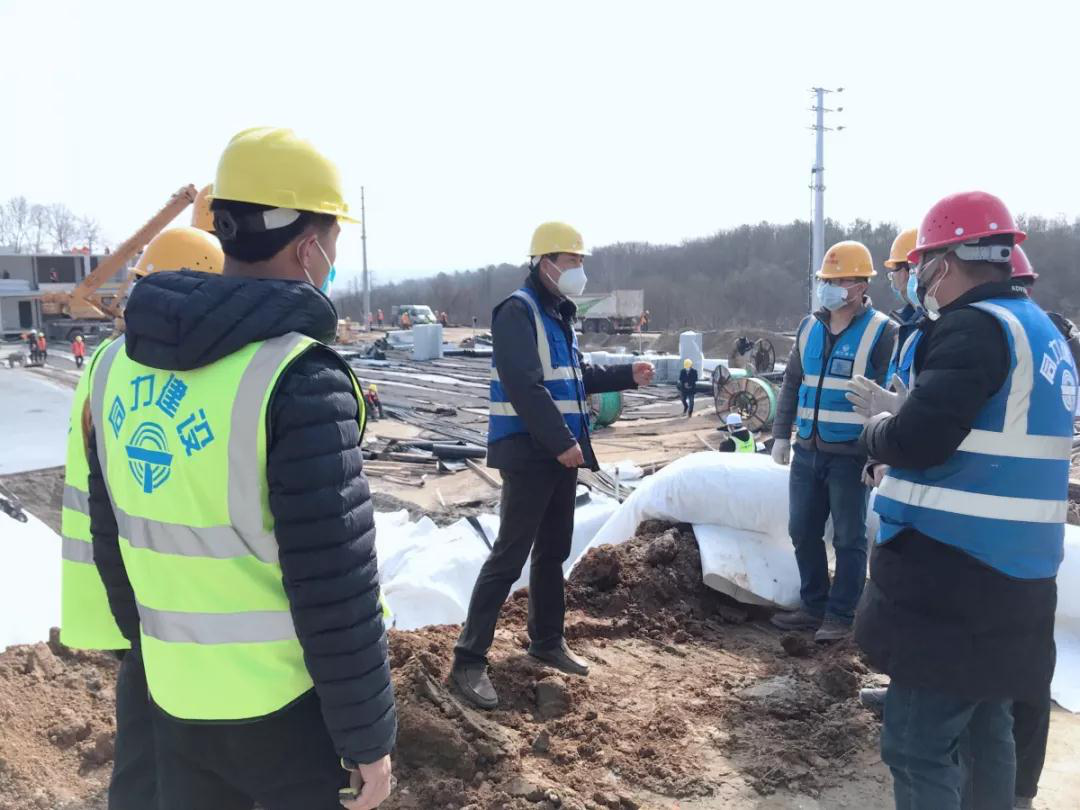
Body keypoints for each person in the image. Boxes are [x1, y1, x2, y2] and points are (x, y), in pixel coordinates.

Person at [86, 127, 395, 810]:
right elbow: (335, 584)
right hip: (284, 711)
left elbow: (113, 543)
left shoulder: (113, 366)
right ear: (308, 246)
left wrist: (160, 656)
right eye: (333, 238)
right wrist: (367, 737)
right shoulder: (300, 376)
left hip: (173, 698)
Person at [855, 191, 1075, 810]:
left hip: (953, 576)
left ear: (945, 262)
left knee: (917, 747)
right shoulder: (1040, 332)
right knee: (986, 731)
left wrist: (877, 430)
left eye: (923, 266)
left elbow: (917, 440)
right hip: (1018, 573)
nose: (919, 279)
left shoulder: (973, 327)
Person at [452, 221, 654, 709]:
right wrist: (562, 441)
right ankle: (468, 659)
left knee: (552, 551)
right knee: (510, 555)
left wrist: (627, 375)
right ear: (544, 263)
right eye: (571, 261)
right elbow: (524, 385)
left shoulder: (557, 314)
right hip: (530, 452)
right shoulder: (517, 312)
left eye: (581, 261)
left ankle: (546, 640)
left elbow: (575, 376)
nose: (578, 270)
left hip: (560, 453)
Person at [769, 241, 897, 642]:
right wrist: (780, 435)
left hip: (851, 454)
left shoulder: (882, 332)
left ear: (861, 286)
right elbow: (792, 383)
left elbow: (889, 400)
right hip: (807, 450)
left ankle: (841, 615)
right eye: (826, 280)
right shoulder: (809, 327)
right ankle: (812, 606)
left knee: (848, 537)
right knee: (801, 530)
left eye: (839, 281)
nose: (830, 288)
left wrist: (877, 454)